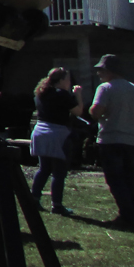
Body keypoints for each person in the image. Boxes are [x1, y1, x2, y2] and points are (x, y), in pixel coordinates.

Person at [89, 54, 134, 228]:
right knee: (129, 177)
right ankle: (132, 213)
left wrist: (94, 110)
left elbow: (96, 112)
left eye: (101, 70)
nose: (99, 73)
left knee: (115, 179)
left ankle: (126, 215)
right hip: (131, 139)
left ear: (109, 71)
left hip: (111, 138)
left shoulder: (105, 88)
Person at [29, 68, 84, 216]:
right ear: (61, 80)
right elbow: (78, 111)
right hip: (57, 134)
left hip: (41, 131)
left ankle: (34, 199)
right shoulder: (62, 94)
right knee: (59, 172)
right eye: (68, 79)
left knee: (44, 169)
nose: (69, 82)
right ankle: (57, 205)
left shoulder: (41, 93)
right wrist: (78, 95)